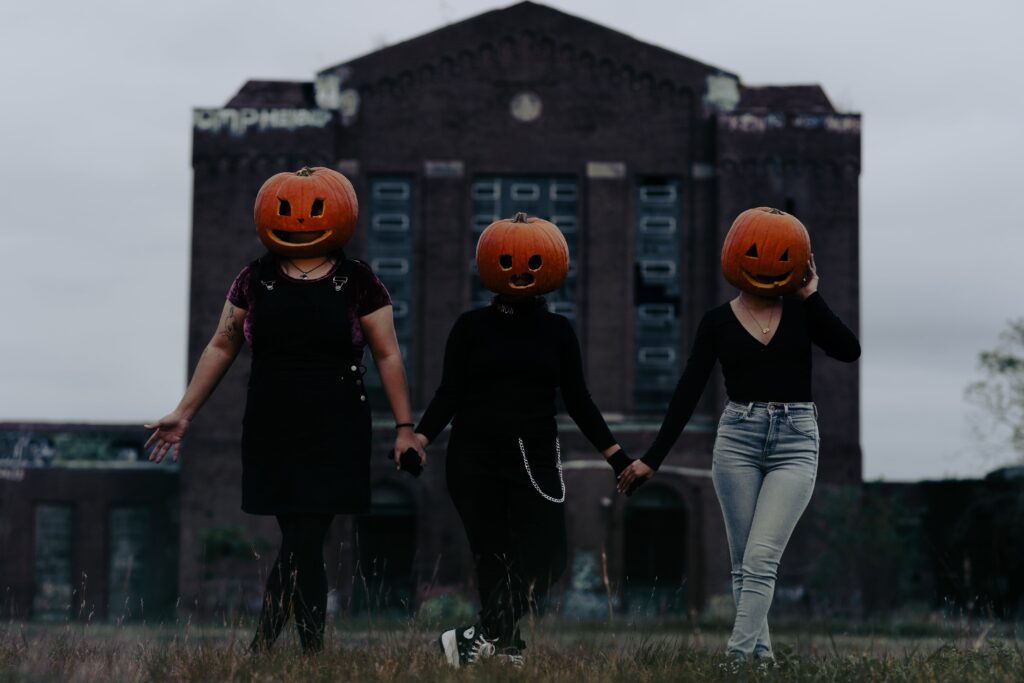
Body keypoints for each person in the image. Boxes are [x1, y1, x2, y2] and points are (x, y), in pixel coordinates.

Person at [144, 167, 424, 653]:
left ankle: (260, 649)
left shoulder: (359, 281)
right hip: (273, 419)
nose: (298, 220)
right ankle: (312, 654)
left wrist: (405, 428)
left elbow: (387, 354)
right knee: (302, 540)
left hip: (337, 419)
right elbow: (221, 345)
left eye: (314, 209)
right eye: (286, 209)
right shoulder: (253, 279)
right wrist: (184, 411)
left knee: (305, 535)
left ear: (339, 214)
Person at [618, 207, 861, 661]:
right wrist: (653, 457)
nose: (766, 261)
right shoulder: (716, 322)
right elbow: (687, 392)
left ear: (800, 262)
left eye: (782, 255)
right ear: (735, 255)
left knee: (761, 558)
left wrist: (812, 296)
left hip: (795, 441)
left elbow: (849, 350)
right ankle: (761, 661)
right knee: (742, 563)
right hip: (738, 442)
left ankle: (735, 658)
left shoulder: (803, 313)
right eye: (753, 250)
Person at [414, 213, 634, 668]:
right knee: (492, 558)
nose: (520, 268)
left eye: (533, 259)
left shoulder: (558, 332)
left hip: (535, 456)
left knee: (549, 558)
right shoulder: (470, 327)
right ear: (491, 265)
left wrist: (616, 456)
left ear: (551, 265)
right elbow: (448, 393)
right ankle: (505, 646)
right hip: (473, 455)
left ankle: (474, 636)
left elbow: (579, 400)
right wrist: (418, 437)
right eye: (509, 259)